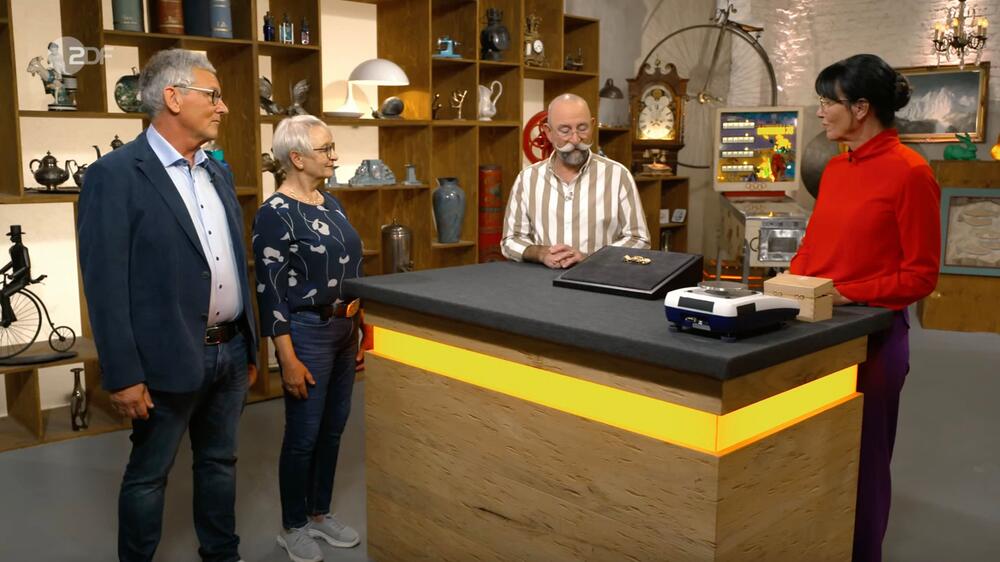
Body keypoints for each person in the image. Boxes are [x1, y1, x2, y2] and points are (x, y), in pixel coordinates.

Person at [77, 48, 258, 562]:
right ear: (173, 97)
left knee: (220, 463)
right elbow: (105, 286)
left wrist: (248, 343)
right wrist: (123, 375)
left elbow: (232, 260)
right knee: (148, 476)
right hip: (164, 359)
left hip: (229, 350)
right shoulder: (114, 175)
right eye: (213, 95)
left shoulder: (217, 172)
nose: (223, 107)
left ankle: (221, 554)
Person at [790, 53, 940, 562]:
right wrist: (786, 284)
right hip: (812, 332)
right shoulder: (835, 169)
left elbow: (921, 276)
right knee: (810, 456)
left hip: (872, 341)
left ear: (860, 108)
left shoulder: (911, 173)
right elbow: (812, 250)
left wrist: (850, 292)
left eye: (826, 101)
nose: (819, 111)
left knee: (863, 465)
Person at [253, 115, 364, 562]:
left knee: (333, 429)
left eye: (332, 147)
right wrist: (287, 358)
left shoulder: (331, 203)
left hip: (344, 329)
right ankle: (293, 525)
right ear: (296, 158)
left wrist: (358, 325)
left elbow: (349, 269)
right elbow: (270, 292)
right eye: (326, 149)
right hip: (306, 333)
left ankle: (319, 513)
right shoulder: (274, 214)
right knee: (303, 435)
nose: (334, 156)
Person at [501, 93, 650, 268]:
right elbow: (511, 240)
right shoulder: (527, 178)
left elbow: (639, 240)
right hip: (541, 280)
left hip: (598, 277)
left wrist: (590, 258)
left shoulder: (618, 175)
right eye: (565, 130)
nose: (575, 139)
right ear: (548, 132)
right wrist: (541, 253)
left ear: (592, 125)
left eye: (582, 128)